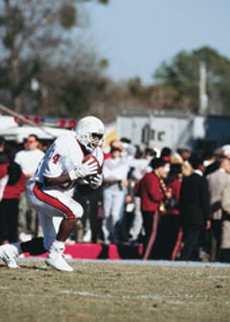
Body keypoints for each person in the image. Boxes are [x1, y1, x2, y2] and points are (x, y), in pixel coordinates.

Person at [0, 116, 105, 272]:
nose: (96, 141)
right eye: (94, 136)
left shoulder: (98, 155)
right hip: (41, 191)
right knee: (75, 211)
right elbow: (49, 180)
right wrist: (76, 174)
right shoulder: (66, 143)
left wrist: (94, 184)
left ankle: (9, 251)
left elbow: (81, 189)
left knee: (48, 243)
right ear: (83, 133)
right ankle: (56, 255)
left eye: (99, 137)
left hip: (61, 197)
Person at [138, 157, 172, 260]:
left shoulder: (146, 176)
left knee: (148, 231)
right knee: (152, 233)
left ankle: (148, 254)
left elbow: (137, 190)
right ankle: (146, 256)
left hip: (145, 206)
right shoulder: (152, 178)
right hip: (152, 208)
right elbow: (155, 195)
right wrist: (165, 195)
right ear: (159, 168)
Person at [179, 155, 211, 261]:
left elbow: (182, 198)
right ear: (201, 166)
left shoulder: (186, 180)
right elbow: (204, 200)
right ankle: (185, 257)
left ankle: (191, 257)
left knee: (189, 236)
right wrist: (207, 217)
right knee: (193, 238)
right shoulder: (202, 180)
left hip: (186, 213)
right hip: (198, 214)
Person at [14, 134, 45, 239]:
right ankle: (22, 231)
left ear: (36, 143)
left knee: (33, 211)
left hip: (35, 186)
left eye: (31, 141)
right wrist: (24, 175)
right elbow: (16, 169)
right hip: (22, 185)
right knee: (22, 209)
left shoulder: (41, 155)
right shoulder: (20, 154)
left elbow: (43, 170)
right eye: (27, 141)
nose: (28, 143)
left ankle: (32, 231)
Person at [206, 152, 230, 262]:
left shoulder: (209, 177)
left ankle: (212, 257)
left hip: (211, 210)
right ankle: (221, 258)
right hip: (223, 210)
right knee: (223, 237)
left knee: (213, 238)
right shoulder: (227, 178)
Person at [0, 147, 26, 245]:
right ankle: (13, 240)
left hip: (3, 197)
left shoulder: (2, 168)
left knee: (2, 221)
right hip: (15, 197)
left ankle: (2, 240)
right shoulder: (18, 168)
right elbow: (23, 183)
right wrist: (17, 191)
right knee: (13, 221)